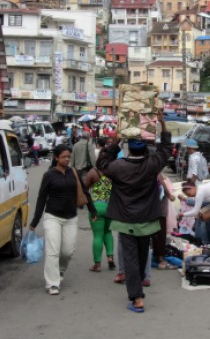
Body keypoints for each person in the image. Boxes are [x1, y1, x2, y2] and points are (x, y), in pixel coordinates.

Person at [98, 110, 172, 313]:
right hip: (147, 219)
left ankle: (137, 297)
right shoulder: (151, 164)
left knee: (131, 258)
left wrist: (116, 139)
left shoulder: (118, 167)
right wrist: (162, 123)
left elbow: (101, 163)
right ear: (145, 150)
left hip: (126, 220)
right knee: (140, 256)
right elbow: (166, 149)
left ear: (127, 149)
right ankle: (138, 286)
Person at [29, 144, 97, 295]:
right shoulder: (49, 175)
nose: (67, 159)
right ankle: (52, 283)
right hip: (52, 217)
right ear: (56, 158)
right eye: (64, 157)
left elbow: (85, 192)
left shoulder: (74, 173)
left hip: (71, 218)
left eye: (69, 157)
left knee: (67, 251)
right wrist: (35, 221)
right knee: (53, 251)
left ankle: (59, 271)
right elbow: (41, 198)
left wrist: (93, 210)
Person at [84, 158, 115, 272]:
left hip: (96, 207)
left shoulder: (93, 172)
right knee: (108, 232)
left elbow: (84, 188)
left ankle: (97, 264)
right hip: (110, 207)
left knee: (98, 235)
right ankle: (110, 257)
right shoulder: (113, 173)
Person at [178, 181, 210, 245]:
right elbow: (203, 204)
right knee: (203, 217)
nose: (190, 195)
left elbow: (195, 211)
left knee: (207, 220)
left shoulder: (200, 192)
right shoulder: (201, 188)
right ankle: (206, 241)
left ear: (192, 188)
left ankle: (208, 243)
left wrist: (183, 214)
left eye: (189, 194)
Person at [152, 173, 177, 270]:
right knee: (160, 234)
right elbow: (162, 183)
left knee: (154, 234)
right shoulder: (156, 171)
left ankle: (156, 256)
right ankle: (161, 259)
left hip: (150, 209)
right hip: (159, 209)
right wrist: (170, 196)